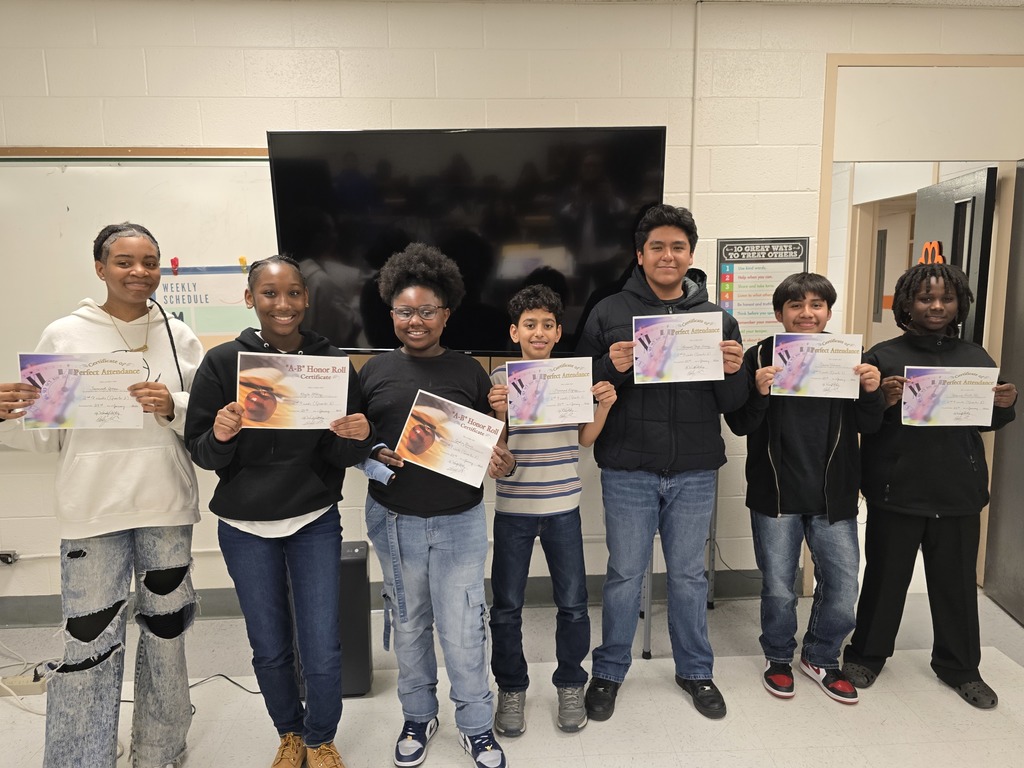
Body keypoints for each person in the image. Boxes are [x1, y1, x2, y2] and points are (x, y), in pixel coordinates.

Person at [0, 222, 202, 768]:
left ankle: (160, 748)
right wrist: (9, 415)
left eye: (150, 261)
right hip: (92, 508)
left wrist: (171, 404)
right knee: (88, 638)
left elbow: (205, 427)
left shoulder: (180, 337)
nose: (139, 272)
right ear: (100, 268)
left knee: (166, 630)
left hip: (166, 503)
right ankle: (79, 758)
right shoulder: (64, 335)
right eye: (124, 261)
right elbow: (46, 439)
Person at [184, 255, 375, 768]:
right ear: (251, 299)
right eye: (270, 294)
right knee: (268, 644)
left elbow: (341, 453)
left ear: (306, 298)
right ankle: (289, 733)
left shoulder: (330, 362)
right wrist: (221, 435)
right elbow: (200, 450)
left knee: (321, 644)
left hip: (312, 518)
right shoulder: (224, 363)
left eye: (293, 293)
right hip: (244, 526)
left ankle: (320, 739)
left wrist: (359, 437)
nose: (283, 304)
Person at [575, 203, 747, 722]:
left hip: (694, 469)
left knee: (691, 576)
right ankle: (608, 672)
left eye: (677, 247)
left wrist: (733, 370)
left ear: (690, 254)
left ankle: (695, 671)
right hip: (629, 467)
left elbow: (733, 405)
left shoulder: (719, 319)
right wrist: (613, 365)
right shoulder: (608, 311)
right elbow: (578, 388)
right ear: (640, 254)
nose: (667, 255)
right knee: (626, 573)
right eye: (657, 247)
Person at [359, 243, 515, 768]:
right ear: (391, 314)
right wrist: (372, 455)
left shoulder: (471, 372)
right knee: (408, 623)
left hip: (460, 521)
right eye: (406, 311)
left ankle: (475, 724)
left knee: (465, 625)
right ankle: (417, 715)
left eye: (428, 310)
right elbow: (355, 448)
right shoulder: (373, 372)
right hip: (393, 519)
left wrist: (503, 458)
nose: (416, 320)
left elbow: (497, 448)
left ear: (446, 314)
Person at [842, 262, 1017, 709]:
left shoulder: (977, 358)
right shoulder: (882, 356)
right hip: (895, 491)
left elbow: (984, 423)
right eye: (925, 298)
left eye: (946, 298)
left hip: (958, 490)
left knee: (956, 584)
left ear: (959, 303)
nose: (936, 306)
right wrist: (881, 399)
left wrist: (1005, 404)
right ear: (907, 304)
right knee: (885, 579)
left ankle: (960, 667)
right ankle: (867, 655)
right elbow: (862, 423)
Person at [724, 272, 885, 703]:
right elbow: (739, 424)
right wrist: (757, 392)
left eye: (816, 305)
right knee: (778, 585)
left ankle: (821, 656)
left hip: (834, 495)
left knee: (843, 583)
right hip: (775, 493)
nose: (807, 313)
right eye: (796, 305)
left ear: (828, 312)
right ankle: (778, 656)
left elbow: (870, 425)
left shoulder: (850, 356)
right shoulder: (759, 355)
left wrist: (871, 392)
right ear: (780, 314)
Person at [485, 285, 617, 737]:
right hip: (514, 510)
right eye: (529, 325)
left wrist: (603, 408)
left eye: (546, 325)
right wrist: (499, 413)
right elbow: (495, 447)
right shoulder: (501, 379)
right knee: (505, 607)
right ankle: (512, 687)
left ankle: (570, 683)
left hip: (564, 507)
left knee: (574, 606)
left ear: (558, 332)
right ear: (514, 330)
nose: (537, 332)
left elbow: (584, 439)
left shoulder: (570, 377)